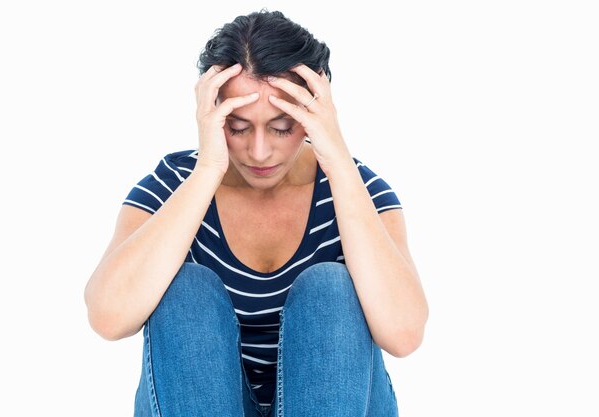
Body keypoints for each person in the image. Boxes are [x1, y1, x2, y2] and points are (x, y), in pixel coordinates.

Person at [84, 8, 428, 417]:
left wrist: (338, 162)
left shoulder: (357, 190)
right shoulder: (174, 183)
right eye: (238, 126)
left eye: (282, 126)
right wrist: (208, 170)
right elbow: (108, 317)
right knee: (185, 290)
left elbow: (404, 335)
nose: (259, 152)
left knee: (330, 288)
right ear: (210, 113)